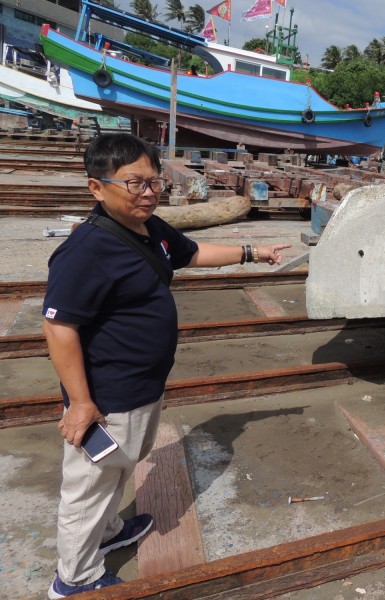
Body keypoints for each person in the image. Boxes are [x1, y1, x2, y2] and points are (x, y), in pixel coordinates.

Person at [42, 133, 291, 598]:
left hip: (141, 387)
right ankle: (74, 579)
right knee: (88, 486)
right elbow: (59, 328)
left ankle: (110, 529)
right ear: (96, 188)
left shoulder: (151, 228)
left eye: (153, 181)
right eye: (134, 183)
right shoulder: (86, 251)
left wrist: (255, 252)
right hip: (105, 396)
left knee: (120, 467)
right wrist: (79, 403)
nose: (149, 192)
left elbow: (192, 253)